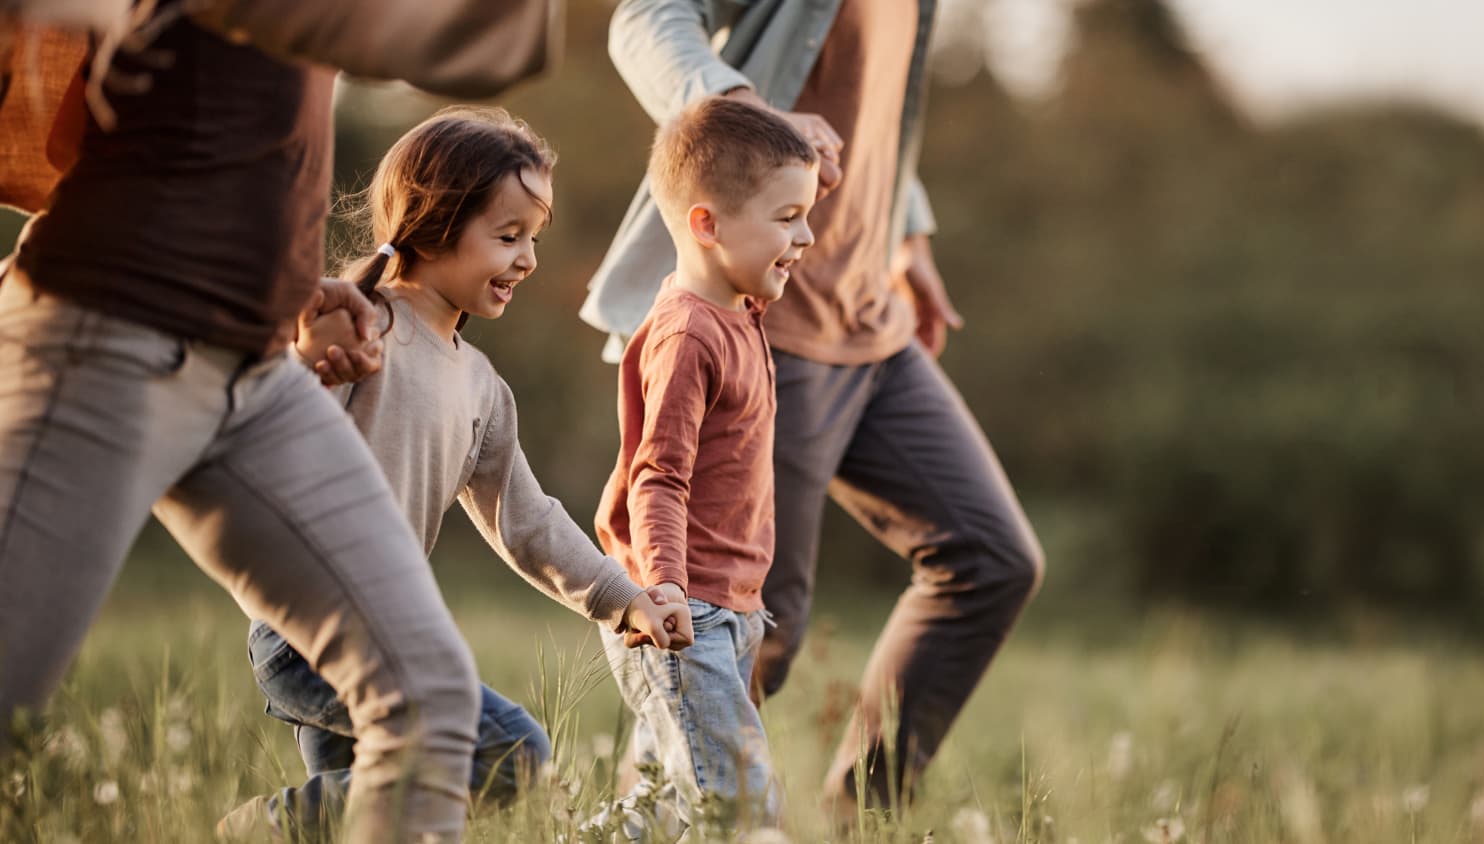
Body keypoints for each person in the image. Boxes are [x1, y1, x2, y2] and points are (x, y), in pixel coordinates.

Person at [0, 5, 560, 841]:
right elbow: (475, 38)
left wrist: (287, 283)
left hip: (251, 365)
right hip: (106, 335)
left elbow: (224, 135)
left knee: (431, 708)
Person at [579, 0, 1046, 812]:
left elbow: (870, 114)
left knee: (991, 558)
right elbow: (646, 17)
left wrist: (908, 235)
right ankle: (666, 821)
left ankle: (863, 817)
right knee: (747, 630)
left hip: (871, 318)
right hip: (766, 331)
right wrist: (743, 107)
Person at [219, 107, 693, 840]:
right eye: (508, 237)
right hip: (308, 627)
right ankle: (258, 829)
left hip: (383, 627)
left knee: (374, 824)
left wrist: (622, 599)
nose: (528, 260)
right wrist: (307, 358)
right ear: (434, 225)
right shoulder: (361, 326)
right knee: (510, 753)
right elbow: (269, 426)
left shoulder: (481, 388)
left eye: (533, 238)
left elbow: (527, 521)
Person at [586, 96, 818, 840]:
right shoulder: (688, 334)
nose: (806, 236)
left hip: (730, 611)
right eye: (789, 218)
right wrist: (666, 589)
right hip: (686, 615)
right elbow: (658, 476)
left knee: (655, 809)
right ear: (707, 225)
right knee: (742, 809)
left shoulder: (741, 308)